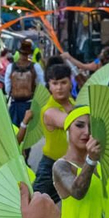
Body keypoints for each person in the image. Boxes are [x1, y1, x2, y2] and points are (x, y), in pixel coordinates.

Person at [32, 61, 79, 200]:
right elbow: (71, 122)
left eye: (63, 82)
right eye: (54, 83)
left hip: (73, 164)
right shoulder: (49, 110)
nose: (59, 88)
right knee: (36, 207)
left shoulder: (73, 103)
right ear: (49, 86)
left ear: (70, 82)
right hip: (51, 166)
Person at [5, 41, 44, 126]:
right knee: (29, 132)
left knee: (15, 131)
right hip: (30, 105)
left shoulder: (10, 67)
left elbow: (7, 88)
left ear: (18, 52)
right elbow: (42, 85)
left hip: (15, 104)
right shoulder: (36, 67)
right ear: (29, 53)